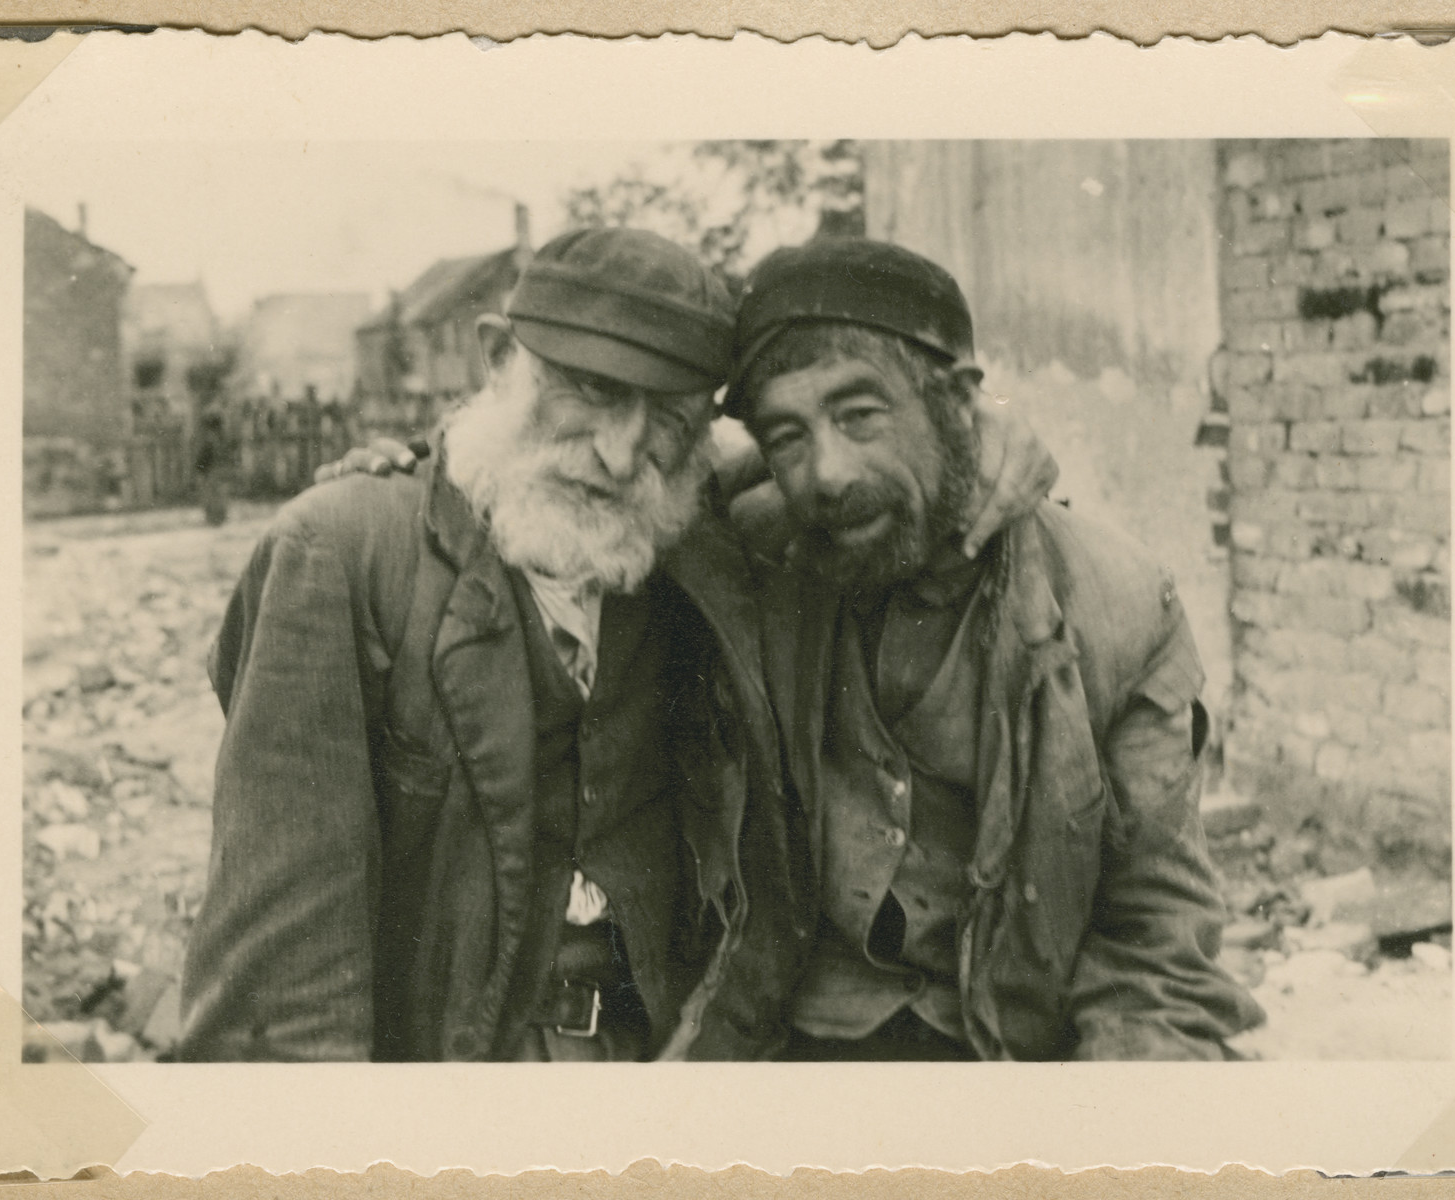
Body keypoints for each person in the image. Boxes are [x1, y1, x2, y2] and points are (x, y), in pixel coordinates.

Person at [182, 227, 1052, 1062]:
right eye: (591, 391)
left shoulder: (681, 531)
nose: (618, 452)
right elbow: (278, 1006)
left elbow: (859, 468)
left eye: (669, 418)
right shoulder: (342, 554)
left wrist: (989, 426)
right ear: (496, 361)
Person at [715, 238, 1263, 1060]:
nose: (825, 473)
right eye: (788, 436)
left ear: (958, 403)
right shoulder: (750, 570)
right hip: (787, 1044)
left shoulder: (1114, 603)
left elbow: (1156, 943)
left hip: (1011, 1053)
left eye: (861, 415)